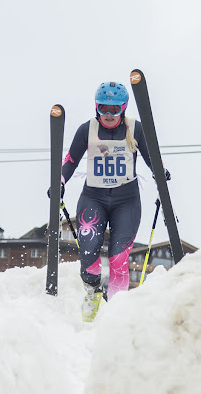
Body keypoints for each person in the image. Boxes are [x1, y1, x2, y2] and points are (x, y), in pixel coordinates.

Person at [59, 81, 160, 322]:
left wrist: (161, 173)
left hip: (126, 200)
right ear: (96, 108)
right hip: (94, 197)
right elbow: (71, 159)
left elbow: (152, 158)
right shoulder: (87, 129)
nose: (109, 115)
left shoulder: (135, 129)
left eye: (115, 110)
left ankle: (116, 310)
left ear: (123, 108)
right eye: (104, 108)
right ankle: (93, 291)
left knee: (118, 257)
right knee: (88, 248)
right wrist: (60, 181)